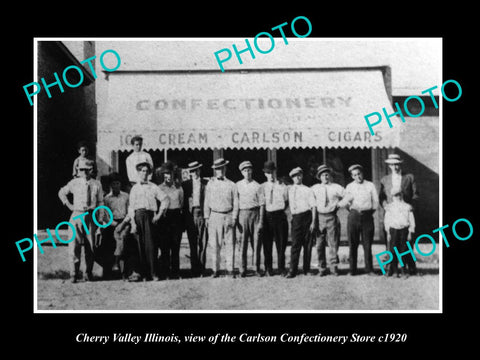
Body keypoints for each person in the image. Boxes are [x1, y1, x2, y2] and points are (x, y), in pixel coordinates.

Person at [58, 158, 104, 283]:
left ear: (91, 170)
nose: (84, 172)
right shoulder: (74, 182)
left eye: (87, 170)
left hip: (91, 216)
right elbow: (61, 193)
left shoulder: (97, 184)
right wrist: (69, 204)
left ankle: (88, 273)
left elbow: (100, 202)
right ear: (79, 170)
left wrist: (99, 221)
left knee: (91, 246)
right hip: (77, 215)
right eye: (82, 170)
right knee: (74, 244)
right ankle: (73, 273)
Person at [128, 162, 169, 281]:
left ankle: (153, 273)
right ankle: (143, 274)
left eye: (146, 171)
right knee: (139, 246)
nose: (144, 174)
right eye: (142, 171)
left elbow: (165, 199)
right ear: (138, 172)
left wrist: (159, 215)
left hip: (150, 217)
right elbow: (131, 207)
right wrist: (133, 223)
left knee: (151, 246)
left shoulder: (153, 186)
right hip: (138, 216)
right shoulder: (134, 188)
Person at [379, 153, 419, 275]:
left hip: (404, 213)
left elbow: (416, 194)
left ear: (400, 164)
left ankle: (410, 267)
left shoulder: (409, 177)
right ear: (389, 166)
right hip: (392, 215)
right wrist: (385, 205)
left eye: (396, 164)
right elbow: (381, 196)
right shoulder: (384, 179)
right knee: (391, 243)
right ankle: (391, 267)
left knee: (407, 243)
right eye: (392, 165)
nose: (395, 167)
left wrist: (412, 206)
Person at [339, 164, 379, 276]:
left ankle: (369, 269)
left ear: (362, 173)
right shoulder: (349, 187)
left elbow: (375, 201)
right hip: (354, 217)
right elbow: (346, 203)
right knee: (353, 244)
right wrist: (354, 211)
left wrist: (369, 212)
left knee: (367, 244)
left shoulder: (370, 185)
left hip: (367, 216)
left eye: (359, 174)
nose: (358, 177)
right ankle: (352, 269)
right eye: (355, 175)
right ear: (352, 176)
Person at [204, 158, 239, 278]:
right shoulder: (210, 184)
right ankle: (216, 269)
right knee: (215, 244)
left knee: (229, 244)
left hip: (228, 215)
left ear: (225, 169)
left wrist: (234, 217)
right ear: (215, 170)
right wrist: (206, 217)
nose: (220, 171)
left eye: (222, 168)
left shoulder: (232, 184)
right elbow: (206, 201)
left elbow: (236, 202)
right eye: (218, 169)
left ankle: (230, 269)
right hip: (215, 215)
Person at [311, 165, 345, 276]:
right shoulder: (314, 188)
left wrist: (339, 204)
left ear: (330, 175)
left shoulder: (336, 187)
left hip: (332, 217)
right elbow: (311, 202)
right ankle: (322, 268)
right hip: (319, 217)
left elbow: (348, 196)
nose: (325, 176)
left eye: (327, 174)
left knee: (333, 243)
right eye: (322, 175)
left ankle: (333, 267)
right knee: (319, 244)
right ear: (319, 177)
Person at [236, 161, 265, 277]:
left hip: (255, 214)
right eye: (245, 170)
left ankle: (256, 268)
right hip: (242, 214)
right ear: (241, 172)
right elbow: (235, 203)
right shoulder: (237, 185)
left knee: (256, 242)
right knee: (242, 243)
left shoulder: (258, 186)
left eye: (249, 170)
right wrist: (236, 217)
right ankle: (242, 269)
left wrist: (261, 221)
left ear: (252, 171)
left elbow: (262, 204)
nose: (247, 172)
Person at [260, 161, 289, 276]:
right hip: (268, 216)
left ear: (275, 172)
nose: (270, 175)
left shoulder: (282, 186)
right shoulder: (262, 187)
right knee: (267, 243)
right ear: (265, 174)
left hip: (279, 216)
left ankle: (281, 268)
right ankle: (268, 268)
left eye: (272, 172)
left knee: (281, 244)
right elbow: (262, 202)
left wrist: (279, 210)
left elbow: (286, 201)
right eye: (268, 173)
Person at [286, 167, 316, 278]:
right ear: (292, 178)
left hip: (307, 217)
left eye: (299, 175)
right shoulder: (290, 190)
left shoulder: (308, 190)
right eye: (294, 176)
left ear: (302, 176)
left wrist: (313, 222)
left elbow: (313, 206)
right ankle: (293, 269)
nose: (297, 178)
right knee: (295, 245)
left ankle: (306, 269)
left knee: (307, 244)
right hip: (296, 218)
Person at [158, 161, 184, 279]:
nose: (168, 176)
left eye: (170, 174)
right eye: (166, 174)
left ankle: (175, 272)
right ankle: (164, 271)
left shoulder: (179, 188)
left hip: (176, 216)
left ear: (174, 174)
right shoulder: (159, 188)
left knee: (175, 245)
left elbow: (181, 203)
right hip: (164, 217)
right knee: (164, 246)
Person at [181, 161, 208, 276]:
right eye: (192, 171)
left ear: (199, 170)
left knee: (203, 242)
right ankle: (194, 269)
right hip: (190, 215)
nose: (194, 173)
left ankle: (202, 268)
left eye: (196, 170)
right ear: (190, 172)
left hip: (202, 213)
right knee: (192, 243)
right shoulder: (185, 184)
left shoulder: (206, 183)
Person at [102, 172, 130, 279]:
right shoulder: (107, 199)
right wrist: (114, 224)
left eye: (117, 183)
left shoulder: (126, 196)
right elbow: (105, 215)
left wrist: (123, 223)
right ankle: (109, 270)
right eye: (113, 184)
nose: (116, 186)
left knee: (123, 236)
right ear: (110, 185)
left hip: (125, 222)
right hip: (111, 223)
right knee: (108, 240)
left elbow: (129, 212)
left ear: (120, 184)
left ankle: (120, 266)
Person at [384, 189, 416, 278]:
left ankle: (403, 271)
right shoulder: (389, 207)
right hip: (393, 230)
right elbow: (387, 221)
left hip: (404, 230)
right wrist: (388, 233)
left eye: (399, 195)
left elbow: (411, 220)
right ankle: (395, 271)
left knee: (404, 250)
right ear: (392, 197)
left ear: (401, 195)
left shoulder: (407, 207)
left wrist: (410, 232)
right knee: (393, 251)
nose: (397, 197)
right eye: (395, 195)